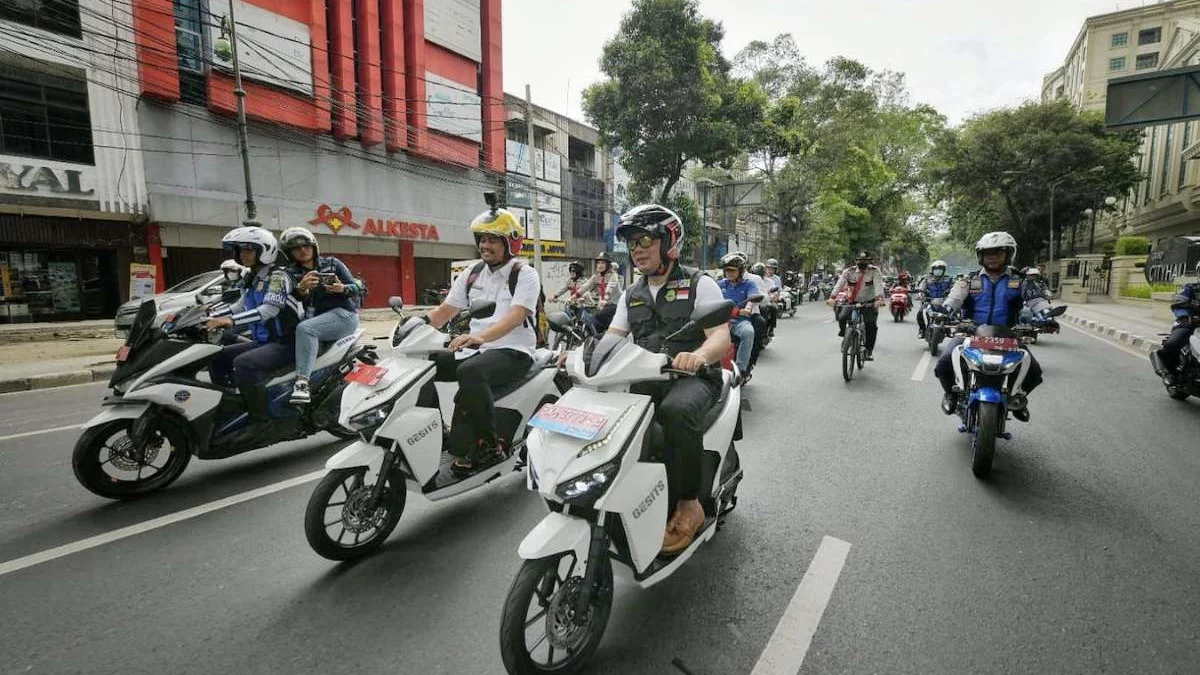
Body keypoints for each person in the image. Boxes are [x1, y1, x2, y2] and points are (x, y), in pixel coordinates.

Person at [606, 203, 730, 555]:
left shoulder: (697, 283)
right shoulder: (632, 293)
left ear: (669, 241)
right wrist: (579, 358)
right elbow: (613, 337)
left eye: (645, 239)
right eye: (632, 243)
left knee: (675, 412)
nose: (637, 249)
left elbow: (720, 336)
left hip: (695, 378)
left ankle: (690, 503)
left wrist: (700, 356)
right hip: (647, 376)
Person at [415, 205, 541, 476]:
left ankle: (488, 444)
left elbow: (516, 316)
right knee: (422, 365)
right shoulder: (472, 273)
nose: (485, 245)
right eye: (482, 239)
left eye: (493, 239)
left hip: (513, 349)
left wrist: (479, 337)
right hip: (475, 347)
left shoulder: (525, 274)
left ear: (510, 242)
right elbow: (445, 310)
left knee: (470, 371)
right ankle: (436, 432)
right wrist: (416, 325)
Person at [933, 232, 1050, 422]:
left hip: (1008, 335)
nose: (993, 257)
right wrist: (945, 311)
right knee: (944, 363)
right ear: (981, 256)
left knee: (1034, 372)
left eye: (998, 252)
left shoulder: (1021, 281)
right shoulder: (969, 280)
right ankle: (950, 394)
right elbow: (954, 299)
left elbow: (1037, 301)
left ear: (1008, 254)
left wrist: (1046, 315)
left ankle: (1018, 397)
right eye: (988, 253)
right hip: (971, 332)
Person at [206, 227, 301, 443]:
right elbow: (240, 306)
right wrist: (208, 316)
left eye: (249, 250)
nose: (243, 255)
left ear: (264, 250)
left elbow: (269, 310)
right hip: (264, 341)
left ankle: (261, 422)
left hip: (287, 343)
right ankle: (232, 407)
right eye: (240, 250)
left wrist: (229, 321)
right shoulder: (253, 277)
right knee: (216, 356)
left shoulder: (278, 277)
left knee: (245, 364)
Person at [278, 226, 361, 405]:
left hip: (344, 314)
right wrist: (301, 289)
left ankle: (302, 383)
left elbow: (359, 288)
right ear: (289, 252)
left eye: (306, 245)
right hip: (316, 319)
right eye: (296, 248)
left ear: (314, 246)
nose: (302, 250)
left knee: (306, 329)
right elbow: (286, 301)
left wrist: (343, 288)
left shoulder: (332, 263)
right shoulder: (289, 274)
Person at [827, 251, 887, 359]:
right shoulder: (849, 271)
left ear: (869, 261)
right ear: (856, 261)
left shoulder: (874, 271)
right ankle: (846, 337)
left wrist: (879, 299)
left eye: (865, 261)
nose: (862, 263)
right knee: (842, 317)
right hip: (852, 301)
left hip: (869, 302)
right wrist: (832, 297)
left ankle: (868, 351)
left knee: (871, 326)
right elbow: (839, 284)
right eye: (860, 261)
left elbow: (878, 285)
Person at [1153, 262, 1200, 385]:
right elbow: (1178, 302)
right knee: (1173, 343)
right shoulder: (1190, 288)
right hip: (1190, 324)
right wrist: (1184, 316)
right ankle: (1169, 372)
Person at [717, 252, 760, 383]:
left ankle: (740, 371)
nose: (729, 273)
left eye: (732, 270)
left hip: (740, 322)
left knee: (748, 332)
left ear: (740, 271)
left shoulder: (749, 284)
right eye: (726, 270)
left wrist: (747, 308)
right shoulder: (720, 284)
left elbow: (751, 299)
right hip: (720, 322)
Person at [578, 252, 622, 333]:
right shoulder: (596, 276)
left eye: (603, 263)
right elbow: (586, 285)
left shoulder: (613, 275)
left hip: (615, 304)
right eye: (598, 263)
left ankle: (604, 336)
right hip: (603, 304)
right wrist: (575, 295)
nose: (600, 265)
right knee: (591, 319)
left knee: (598, 316)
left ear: (608, 265)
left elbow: (609, 288)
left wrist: (605, 300)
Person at [915, 259, 953, 340]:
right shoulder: (927, 279)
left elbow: (953, 289)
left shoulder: (949, 279)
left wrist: (950, 293)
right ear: (932, 270)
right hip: (929, 301)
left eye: (940, 269)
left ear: (944, 270)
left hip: (944, 302)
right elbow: (921, 287)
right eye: (936, 270)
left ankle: (947, 329)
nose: (938, 271)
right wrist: (921, 294)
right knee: (920, 313)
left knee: (951, 314)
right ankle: (922, 329)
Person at [551, 260, 593, 330]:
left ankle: (589, 335)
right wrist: (555, 296)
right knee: (567, 318)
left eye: (574, 271)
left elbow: (586, 293)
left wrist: (582, 299)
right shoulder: (570, 281)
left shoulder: (584, 281)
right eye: (571, 271)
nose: (572, 273)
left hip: (583, 305)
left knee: (582, 322)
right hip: (573, 303)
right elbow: (563, 289)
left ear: (579, 272)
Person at [762, 258, 783, 337]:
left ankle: (771, 329)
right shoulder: (759, 278)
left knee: (774, 308)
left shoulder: (776, 279)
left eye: (772, 269)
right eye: (768, 268)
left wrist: (775, 299)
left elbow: (777, 291)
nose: (770, 270)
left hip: (770, 299)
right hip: (760, 299)